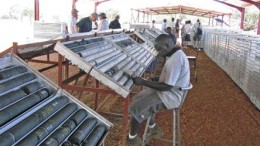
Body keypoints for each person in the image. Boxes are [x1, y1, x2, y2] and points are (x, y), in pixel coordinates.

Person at [126, 34, 190, 146]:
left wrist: (144, 82)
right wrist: (152, 80)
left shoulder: (176, 59)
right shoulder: (174, 54)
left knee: (136, 107)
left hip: (170, 96)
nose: (158, 52)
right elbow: (170, 80)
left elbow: (167, 86)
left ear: (168, 45)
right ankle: (153, 128)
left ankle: (132, 139)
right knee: (138, 97)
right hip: (169, 91)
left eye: (159, 49)